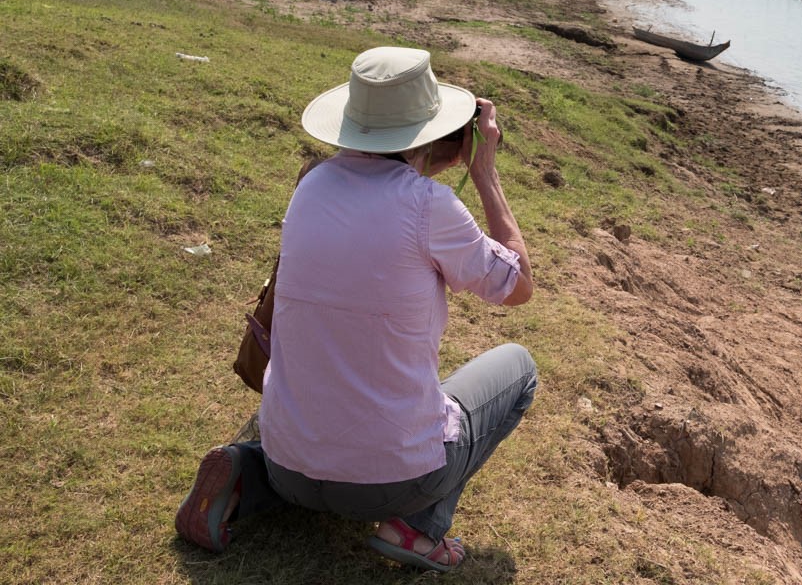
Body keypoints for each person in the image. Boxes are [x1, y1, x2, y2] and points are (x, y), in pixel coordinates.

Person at [175, 47, 536, 572]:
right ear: (431, 127)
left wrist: (433, 155)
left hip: (286, 467)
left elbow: (380, 187)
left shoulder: (310, 183)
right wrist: (484, 172)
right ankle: (418, 526)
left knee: (316, 417)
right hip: (394, 483)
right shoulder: (430, 205)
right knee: (519, 367)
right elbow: (518, 285)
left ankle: (245, 472)